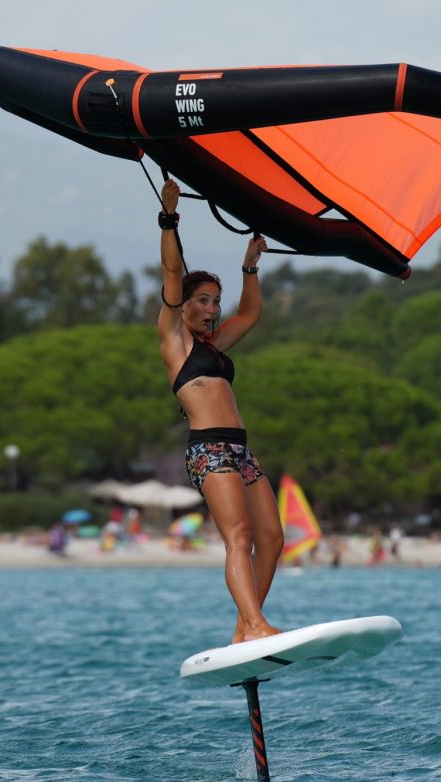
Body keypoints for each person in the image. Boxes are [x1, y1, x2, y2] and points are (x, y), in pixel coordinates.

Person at [157, 178, 283, 644]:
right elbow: (172, 274)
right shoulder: (176, 339)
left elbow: (249, 315)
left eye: (215, 301)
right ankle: (253, 624)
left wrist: (250, 269)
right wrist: (169, 219)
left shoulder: (216, 342)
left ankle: (245, 628)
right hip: (208, 450)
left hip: (241, 450)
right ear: (184, 305)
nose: (212, 310)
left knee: (271, 538)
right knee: (241, 536)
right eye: (203, 301)